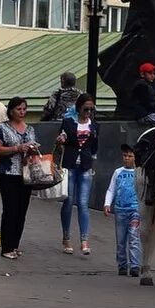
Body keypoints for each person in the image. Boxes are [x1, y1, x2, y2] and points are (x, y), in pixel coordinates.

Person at [0, 96, 40, 259]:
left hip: (26, 174)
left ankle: (15, 244)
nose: (22, 112)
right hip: (8, 173)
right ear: (11, 111)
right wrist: (17, 148)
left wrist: (32, 150)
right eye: (18, 109)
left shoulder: (30, 129)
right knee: (10, 209)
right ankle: (6, 247)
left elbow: (34, 147)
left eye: (24, 109)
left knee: (21, 210)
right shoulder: (2, 128)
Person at [55, 93, 99, 255]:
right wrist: (60, 141)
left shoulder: (93, 125)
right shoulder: (68, 123)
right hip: (70, 165)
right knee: (69, 201)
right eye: (86, 108)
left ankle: (84, 240)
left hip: (85, 166)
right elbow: (60, 143)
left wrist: (93, 163)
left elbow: (95, 147)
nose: (88, 112)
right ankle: (66, 237)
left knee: (83, 203)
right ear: (79, 108)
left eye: (91, 109)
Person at [104, 143, 142, 276]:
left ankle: (135, 265)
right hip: (120, 210)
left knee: (134, 237)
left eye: (130, 156)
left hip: (135, 210)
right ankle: (122, 265)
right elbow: (111, 189)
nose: (126, 158)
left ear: (135, 158)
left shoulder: (139, 172)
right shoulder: (118, 172)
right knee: (120, 241)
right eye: (125, 155)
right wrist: (107, 204)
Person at [132, 62, 155, 128]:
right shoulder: (141, 86)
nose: (153, 76)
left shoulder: (147, 85)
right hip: (144, 115)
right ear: (142, 74)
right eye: (150, 73)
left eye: (154, 73)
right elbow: (147, 104)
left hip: (149, 114)